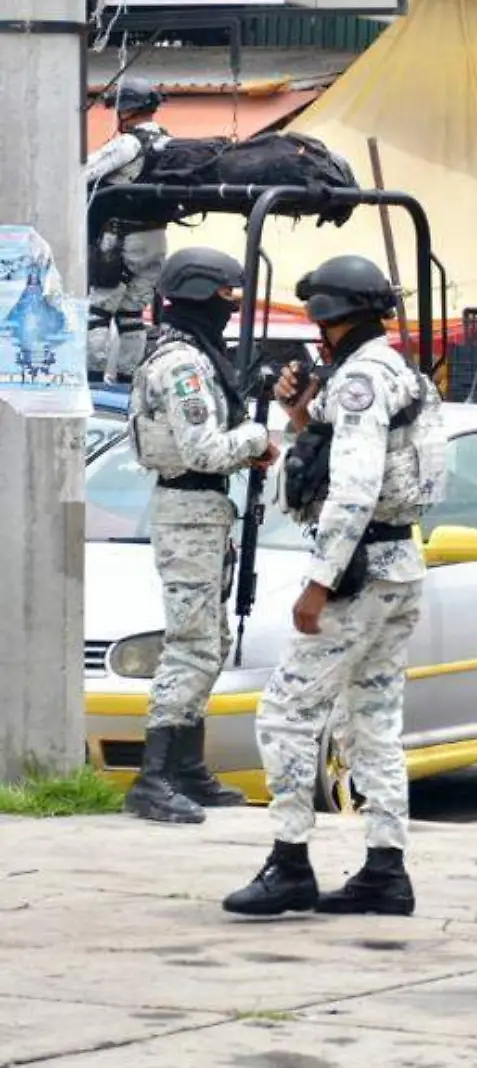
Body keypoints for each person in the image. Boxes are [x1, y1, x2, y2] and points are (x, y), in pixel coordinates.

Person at [222, 254, 446, 918]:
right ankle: (385, 868)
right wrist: (299, 414)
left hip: (357, 573)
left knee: (286, 713)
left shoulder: (358, 384)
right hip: (399, 564)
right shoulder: (397, 373)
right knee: (372, 722)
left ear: (331, 320)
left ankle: (289, 861)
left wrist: (318, 584)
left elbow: (353, 488)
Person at [120, 247, 277, 824]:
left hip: (202, 513)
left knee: (207, 639)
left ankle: (186, 767)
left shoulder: (190, 356)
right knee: (190, 646)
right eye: (228, 296)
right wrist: (257, 438)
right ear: (205, 293)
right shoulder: (183, 365)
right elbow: (203, 450)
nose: (232, 308)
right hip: (187, 511)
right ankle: (154, 776)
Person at [85, 77, 172, 384]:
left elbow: (84, 172)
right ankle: (125, 381)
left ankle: (94, 380)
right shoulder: (167, 142)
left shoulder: (128, 144)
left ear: (126, 109)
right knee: (132, 315)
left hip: (120, 239)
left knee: (98, 312)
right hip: (156, 239)